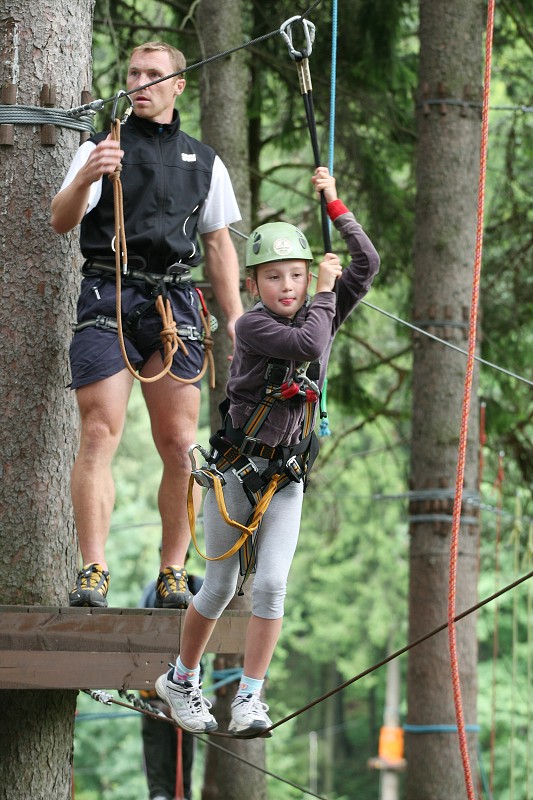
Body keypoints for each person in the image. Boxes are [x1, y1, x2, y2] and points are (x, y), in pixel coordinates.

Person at [154, 167, 380, 735]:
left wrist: (334, 205)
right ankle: (181, 679)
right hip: (236, 473)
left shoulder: (320, 311)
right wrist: (326, 294)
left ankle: (249, 699)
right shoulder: (253, 326)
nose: (288, 286)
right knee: (223, 586)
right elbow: (307, 342)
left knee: (273, 585)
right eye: (274, 277)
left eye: (298, 276)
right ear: (254, 285)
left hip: (285, 476)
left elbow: (367, 265)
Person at [50, 41, 243, 609]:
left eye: (154, 75)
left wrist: (235, 318)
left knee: (181, 446)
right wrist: (87, 175)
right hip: (108, 293)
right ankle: (93, 569)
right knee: (99, 431)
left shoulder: (204, 161)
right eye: (134, 73)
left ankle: (172, 573)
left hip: (175, 304)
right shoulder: (99, 147)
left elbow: (219, 246)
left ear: (179, 84)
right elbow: (61, 220)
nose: (141, 82)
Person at [139, 553, 203, 800]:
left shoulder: (198, 586)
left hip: (186, 681)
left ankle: (181, 793)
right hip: (155, 684)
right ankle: (159, 793)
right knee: (157, 740)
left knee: (185, 738)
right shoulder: (151, 592)